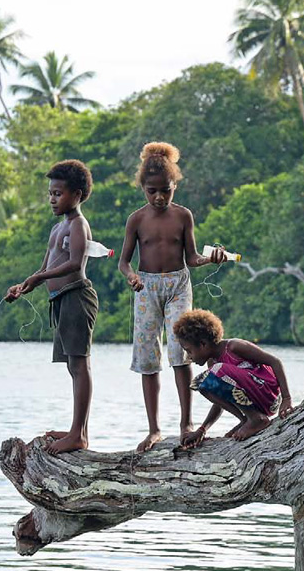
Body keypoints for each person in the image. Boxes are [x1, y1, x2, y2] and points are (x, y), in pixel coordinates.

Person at [119, 141, 227, 453]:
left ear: (174, 185)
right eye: (151, 191)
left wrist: (210, 259)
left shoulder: (183, 217)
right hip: (146, 288)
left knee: (183, 352)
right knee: (147, 357)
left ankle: (186, 423)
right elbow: (124, 261)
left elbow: (192, 257)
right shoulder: (136, 220)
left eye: (165, 190)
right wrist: (132, 277)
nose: (159, 197)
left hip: (179, 284)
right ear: (142, 188)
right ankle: (153, 429)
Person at [5, 159, 100, 455]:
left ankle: (79, 434)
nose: (52, 199)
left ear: (78, 194)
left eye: (59, 193)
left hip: (76, 296)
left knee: (80, 364)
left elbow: (74, 263)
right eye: (50, 193)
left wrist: (40, 276)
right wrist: (24, 286)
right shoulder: (57, 228)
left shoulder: (78, 225)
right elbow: (47, 265)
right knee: (72, 367)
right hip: (60, 301)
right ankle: (77, 430)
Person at [173, 309, 295, 447]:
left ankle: (256, 419)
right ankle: (247, 420)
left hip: (267, 393)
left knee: (208, 376)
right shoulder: (213, 365)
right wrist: (203, 429)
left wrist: (287, 399)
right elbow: (220, 400)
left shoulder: (234, 346)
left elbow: (275, 362)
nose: (189, 357)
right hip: (255, 401)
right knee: (204, 385)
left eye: (189, 351)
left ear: (203, 344)